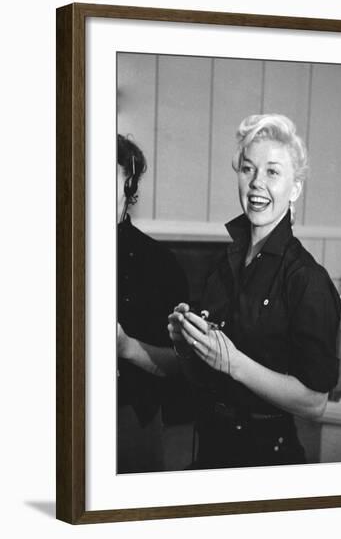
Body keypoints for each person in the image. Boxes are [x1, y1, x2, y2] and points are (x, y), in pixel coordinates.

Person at [168, 114, 340, 470]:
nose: (257, 183)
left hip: (266, 459)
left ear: (295, 188)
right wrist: (189, 346)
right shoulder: (224, 264)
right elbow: (207, 374)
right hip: (210, 448)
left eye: (273, 172)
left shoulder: (307, 279)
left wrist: (234, 363)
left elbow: (315, 403)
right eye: (248, 169)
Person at [117, 134, 189, 473]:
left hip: (132, 416)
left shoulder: (159, 262)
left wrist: (125, 347)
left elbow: (181, 365)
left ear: (129, 182)